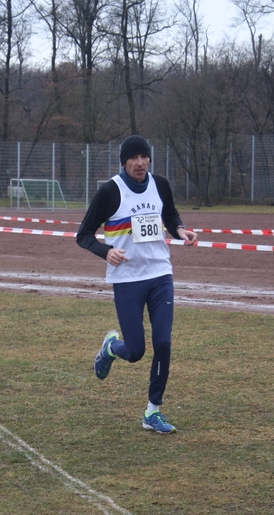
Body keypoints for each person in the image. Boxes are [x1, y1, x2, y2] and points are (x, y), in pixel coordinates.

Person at [76, 134, 197, 434]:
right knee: (135, 351)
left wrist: (180, 230)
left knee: (163, 343)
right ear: (124, 162)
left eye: (144, 157)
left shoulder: (161, 185)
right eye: (133, 158)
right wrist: (106, 251)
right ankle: (111, 347)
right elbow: (84, 234)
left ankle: (153, 411)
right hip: (128, 279)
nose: (140, 163)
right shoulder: (110, 191)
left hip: (160, 275)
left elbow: (169, 215)